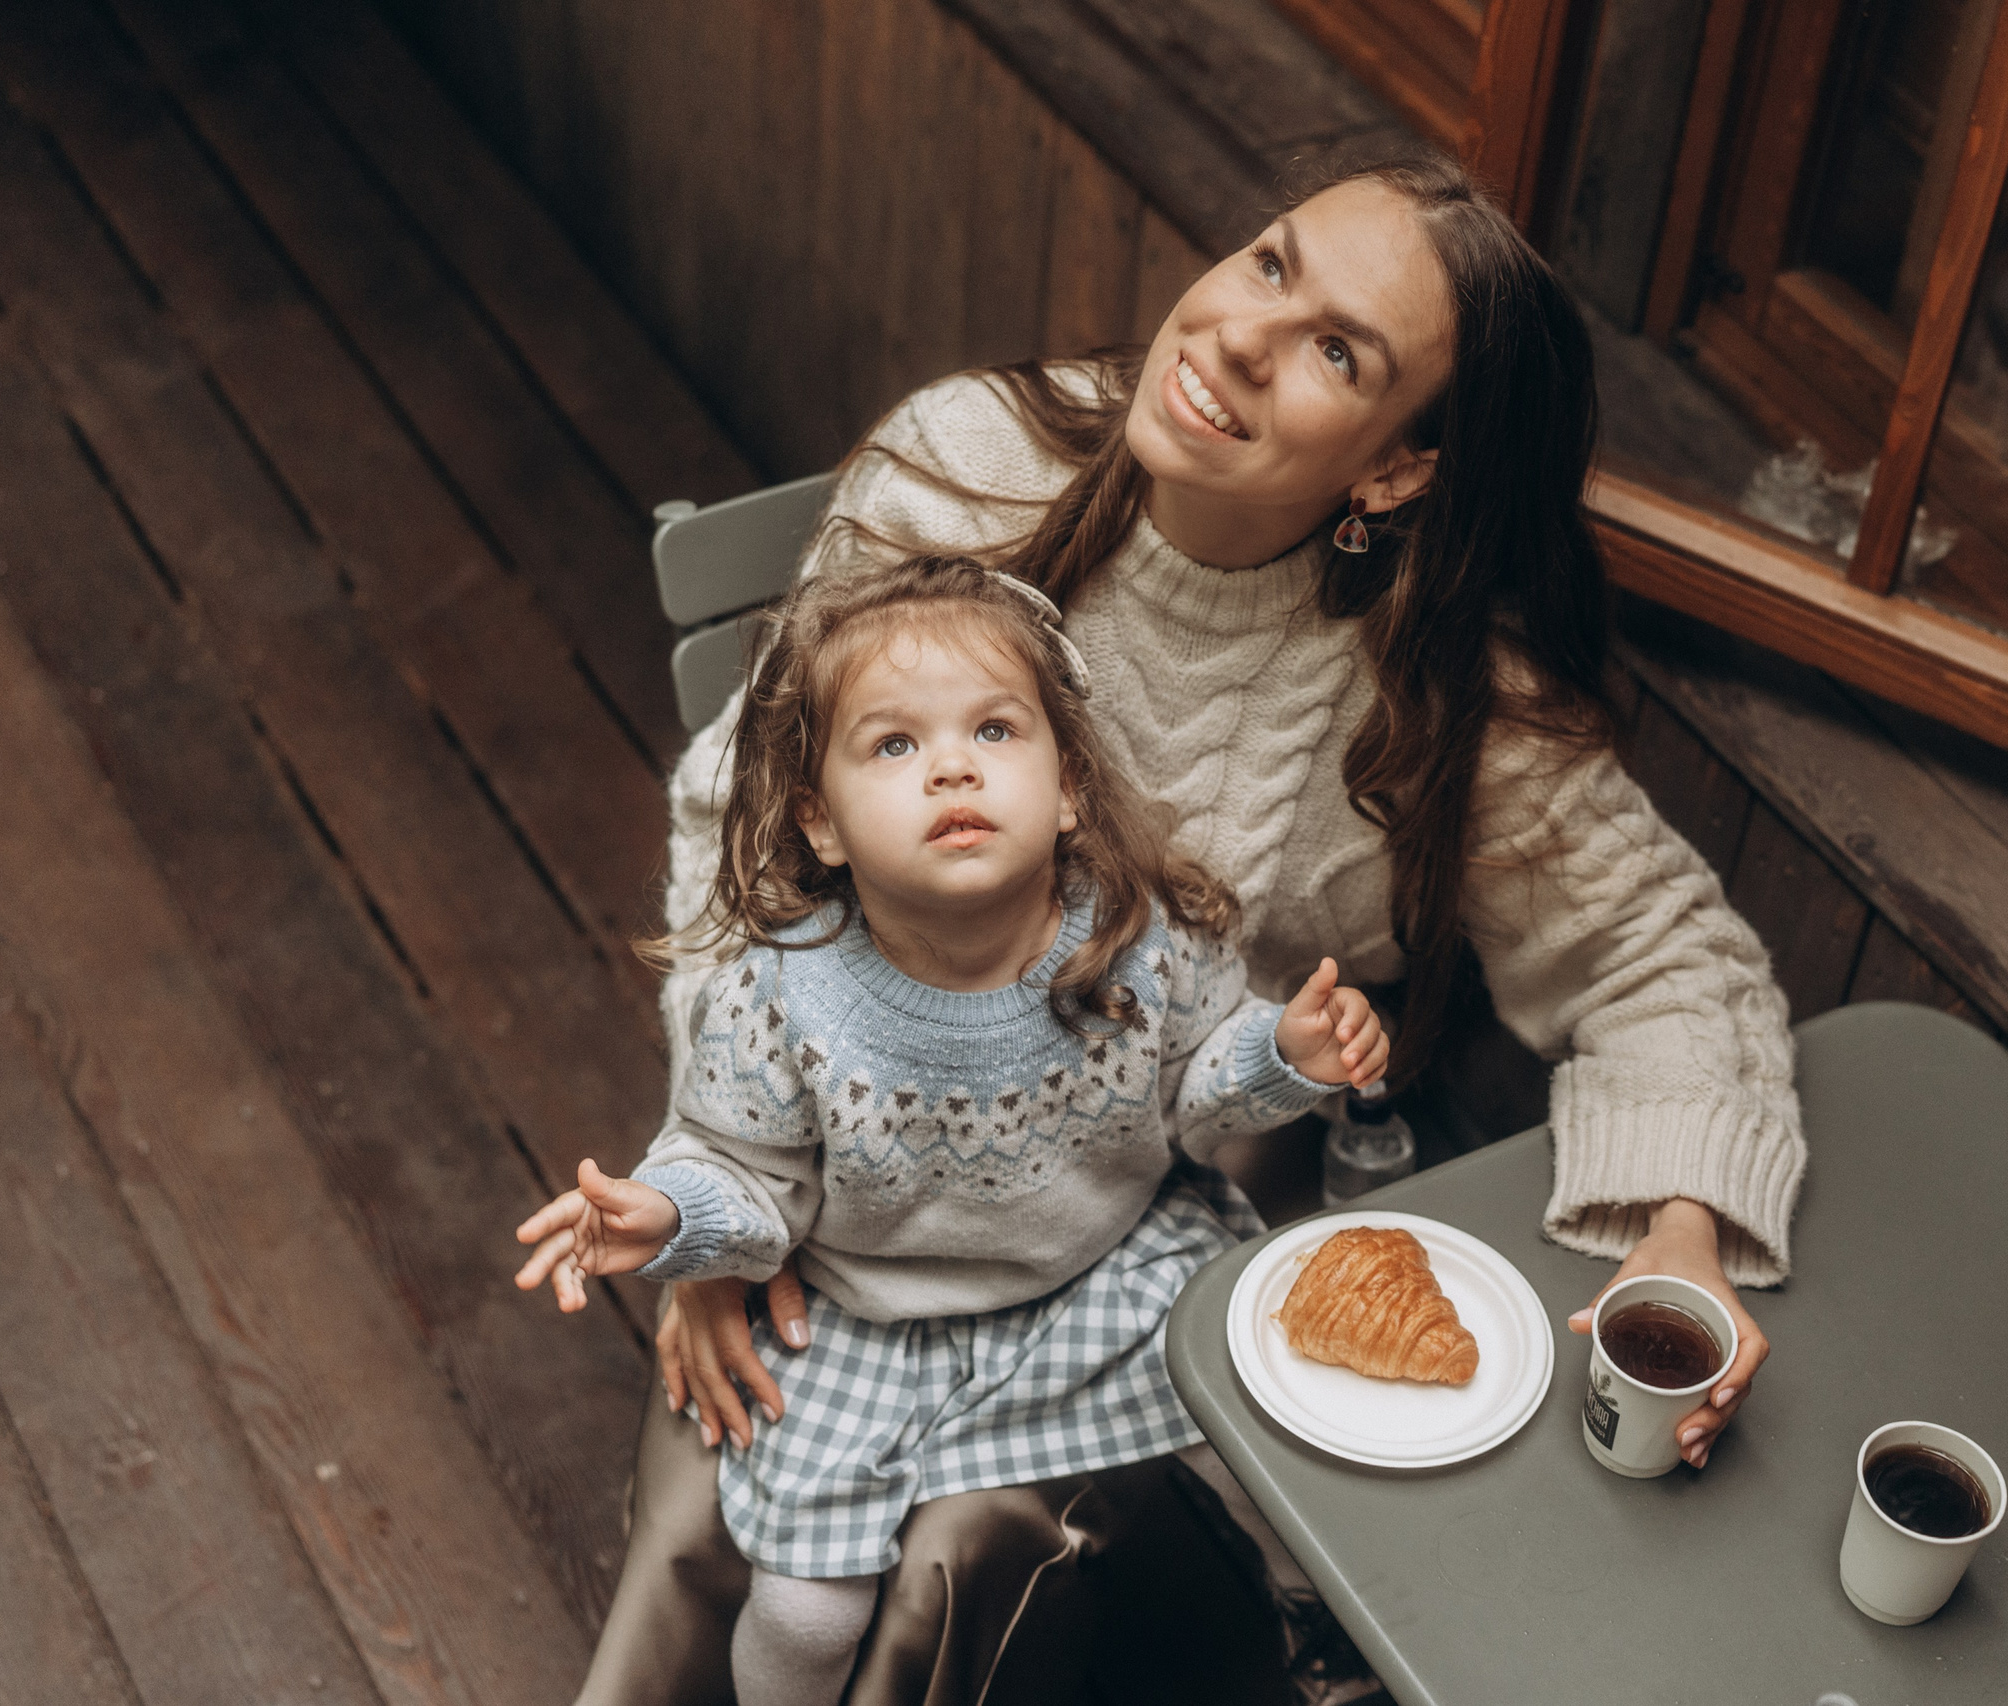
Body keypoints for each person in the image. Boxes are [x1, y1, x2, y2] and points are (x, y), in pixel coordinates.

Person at [583, 151, 1808, 1706]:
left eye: (1337, 350)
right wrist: (719, 1198)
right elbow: (739, 820)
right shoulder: (969, 465)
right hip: (842, 1143)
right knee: (712, 1512)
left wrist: (1682, 1234)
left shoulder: (1438, 695)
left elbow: (1660, 949)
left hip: (1144, 1189)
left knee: (958, 1549)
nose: (1238, 333)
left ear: (1396, 470)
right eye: (1271, 263)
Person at [519, 558, 1388, 1706]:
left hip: (1112, 1262)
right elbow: (749, 1175)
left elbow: (1198, 1094)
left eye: (994, 728)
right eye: (893, 743)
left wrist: (1284, 1053)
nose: (952, 765)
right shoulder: (779, 996)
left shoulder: (1141, 938)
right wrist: (669, 1211)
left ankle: (1326, 1633)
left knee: (1258, 1446)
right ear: (820, 821)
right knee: (803, 1610)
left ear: (1068, 787)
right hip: (868, 1313)